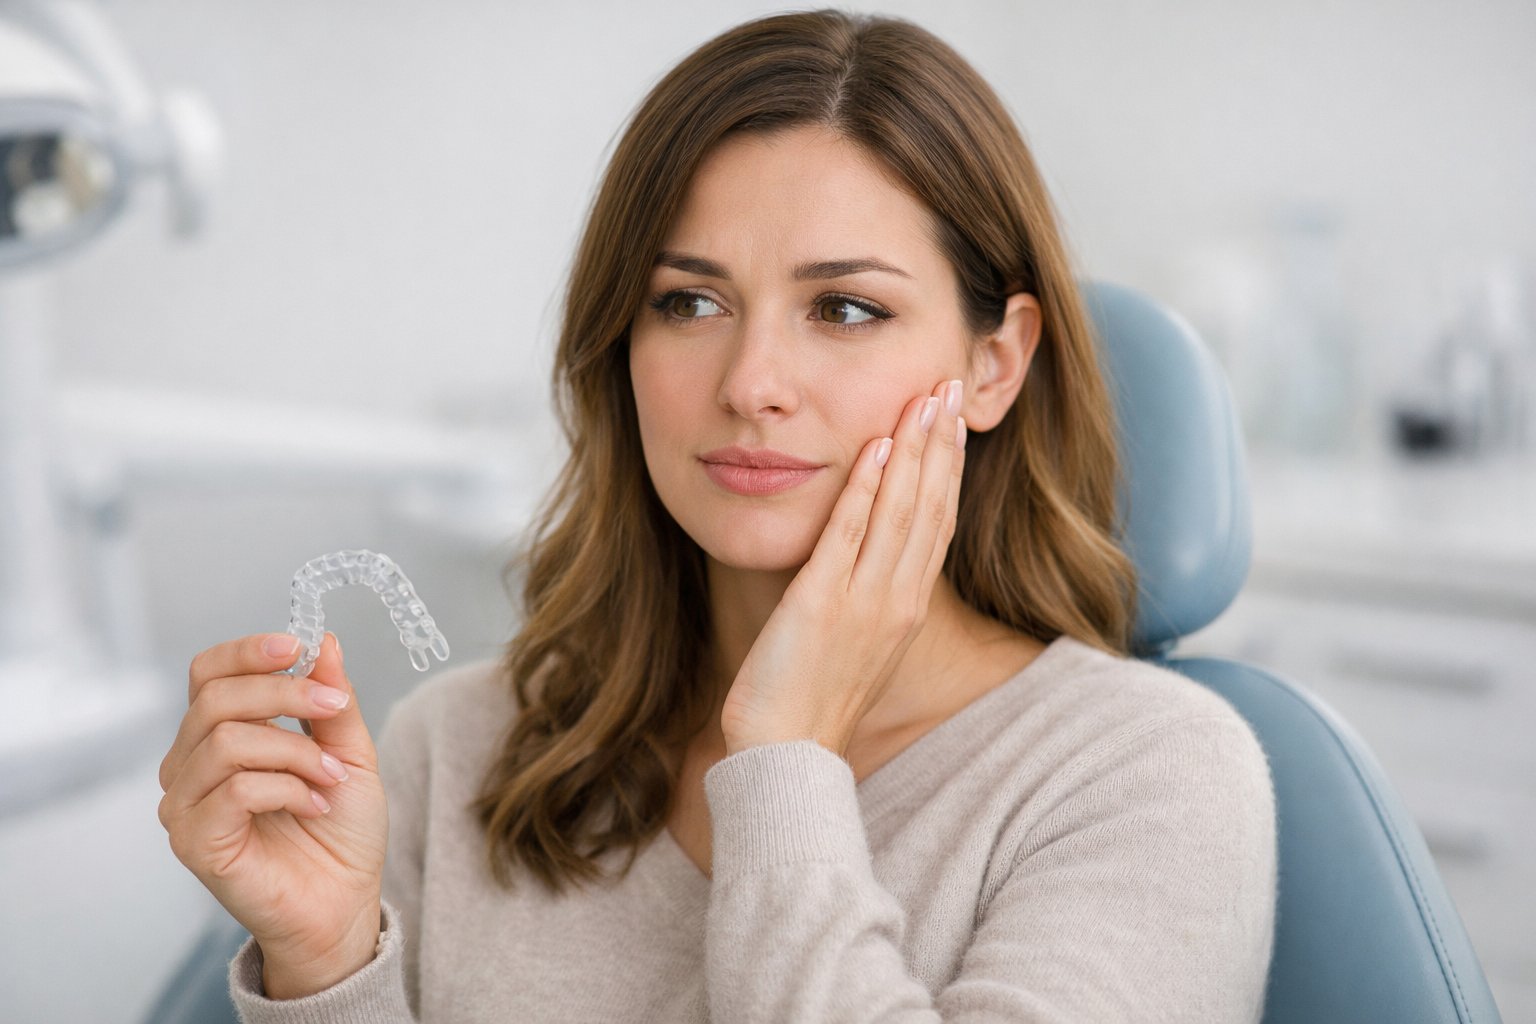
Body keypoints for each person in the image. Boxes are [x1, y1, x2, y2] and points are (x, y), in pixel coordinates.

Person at [158, 9, 1277, 1022]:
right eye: (690, 301)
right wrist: (325, 960)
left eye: (845, 308)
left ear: (993, 364)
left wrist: (786, 756)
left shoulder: (1151, 777)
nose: (752, 381)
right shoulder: (456, 750)